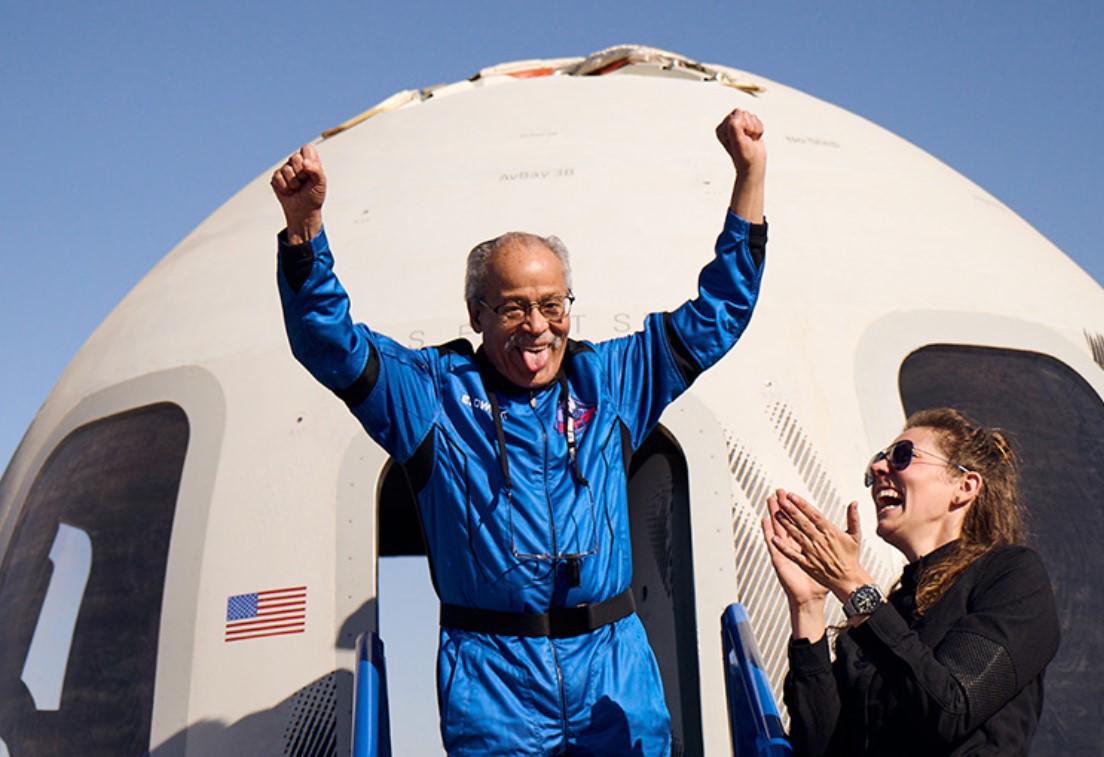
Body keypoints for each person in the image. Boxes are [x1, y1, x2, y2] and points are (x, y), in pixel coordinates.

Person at [272, 109, 767, 755]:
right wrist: (305, 230)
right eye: (513, 306)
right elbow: (328, 342)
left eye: (552, 304)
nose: (537, 324)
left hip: (612, 669)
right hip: (492, 683)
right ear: (477, 313)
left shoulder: (613, 379)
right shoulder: (430, 395)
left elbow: (719, 312)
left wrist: (749, 176)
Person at [761, 408, 1059, 755]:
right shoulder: (887, 612)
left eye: (903, 456)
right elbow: (822, 747)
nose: (877, 469)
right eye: (878, 460)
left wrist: (855, 588)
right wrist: (808, 606)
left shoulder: (1012, 576)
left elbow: (951, 708)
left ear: (964, 486)